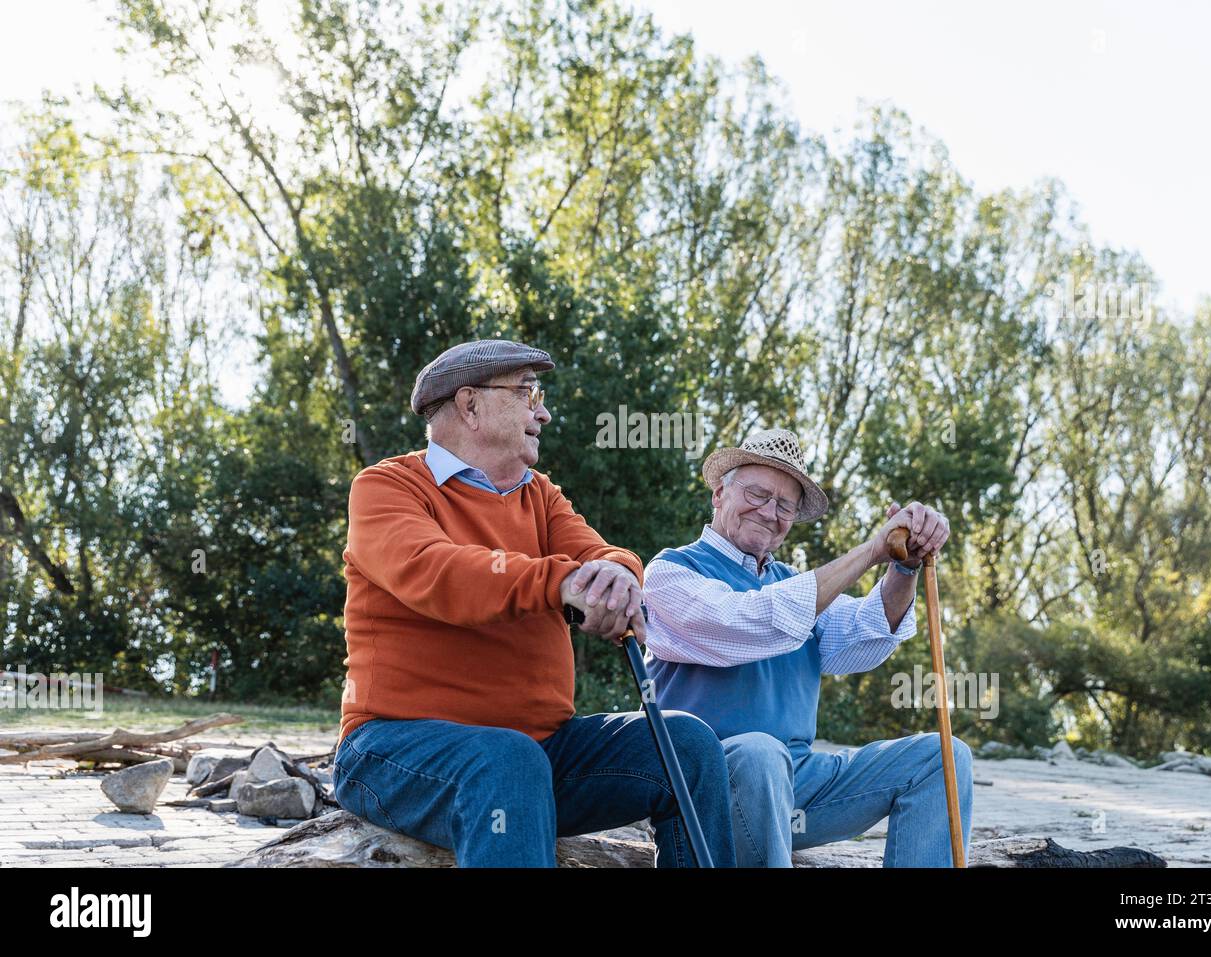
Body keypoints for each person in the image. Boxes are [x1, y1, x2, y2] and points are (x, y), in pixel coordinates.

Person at [332, 338, 736, 867]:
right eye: (527, 393)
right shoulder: (387, 486)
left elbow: (602, 554)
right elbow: (434, 570)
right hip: (392, 749)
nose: (542, 412)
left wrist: (617, 577)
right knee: (506, 759)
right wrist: (562, 583)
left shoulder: (539, 495)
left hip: (537, 753)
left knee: (687, 743)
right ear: (470, 404)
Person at [641, 427, 973, 867]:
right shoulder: (672, 571)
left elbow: (868, 633)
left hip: (797, 786)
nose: (768, 512)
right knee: (760, 752)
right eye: (758, 494)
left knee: (941, 757)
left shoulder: (796, 586)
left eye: (784, 506)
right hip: (704, 786)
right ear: (720, 492)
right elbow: (745, 623)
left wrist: (903, 567)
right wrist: (871, 549)